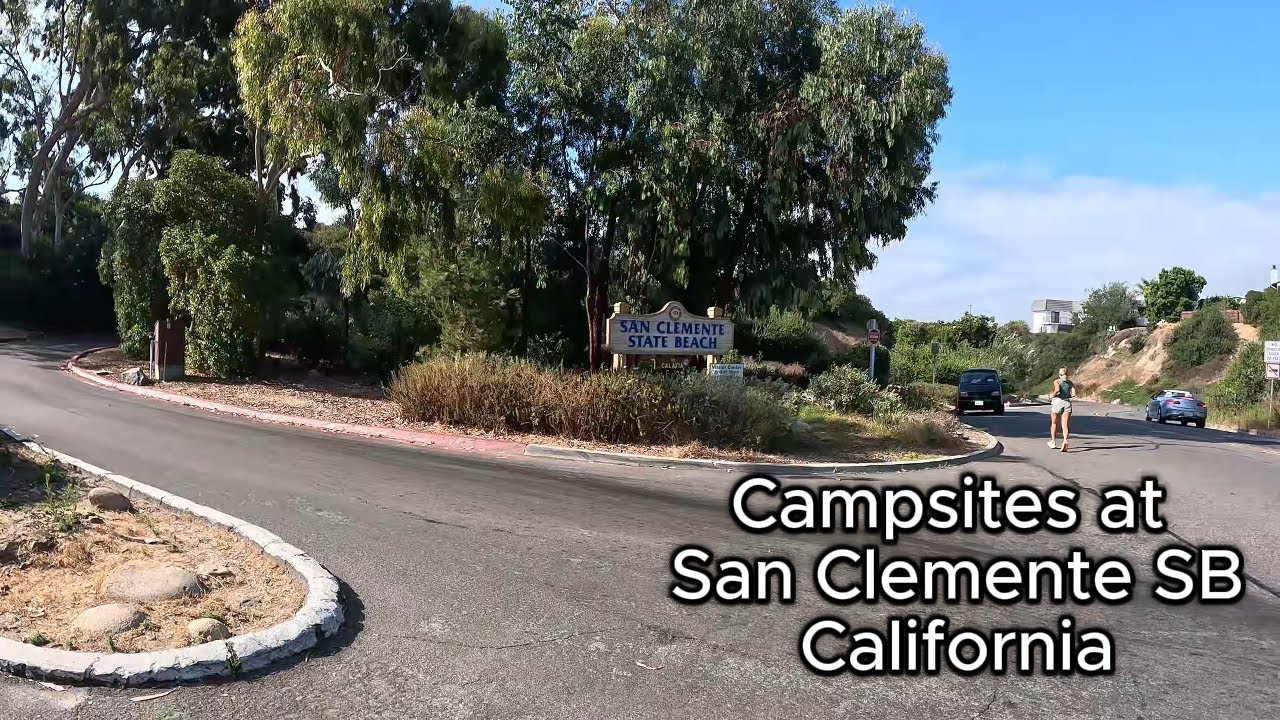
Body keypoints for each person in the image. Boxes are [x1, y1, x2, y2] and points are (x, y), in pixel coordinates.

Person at [1049, 367, 1076, 451]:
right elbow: (1074, 394)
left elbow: (1057, 389)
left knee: (1054, 423)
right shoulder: (1070, 383)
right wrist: (1068, 395)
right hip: (1067, 403)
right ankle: (1065, 440)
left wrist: (1053, 395)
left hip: (1058, 402)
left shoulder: (1057, 381)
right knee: (1065, 425)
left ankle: (1053, 442)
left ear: (1060, 374)